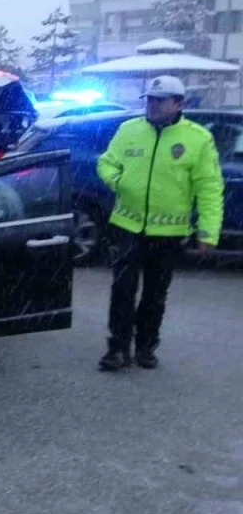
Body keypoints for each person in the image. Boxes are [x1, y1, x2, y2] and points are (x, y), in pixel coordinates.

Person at [95, 75, 224, 372]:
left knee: (155, 294)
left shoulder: (197, 138)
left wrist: (208, 232)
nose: (152, 105)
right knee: (122, 290)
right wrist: (118, 180)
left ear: (179, 103)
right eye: (150, 100)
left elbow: (209, 188)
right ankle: (117, 349)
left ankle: (145, 347)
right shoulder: (129, 130)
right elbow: (106, 162)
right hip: (128, 227)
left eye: (160, 100)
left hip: (169, 233)